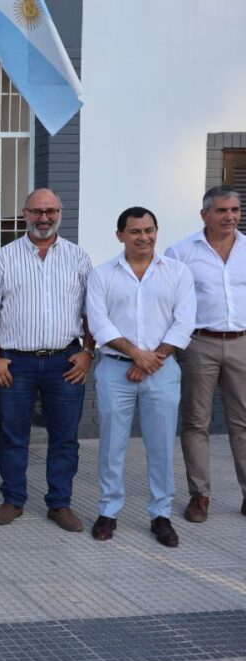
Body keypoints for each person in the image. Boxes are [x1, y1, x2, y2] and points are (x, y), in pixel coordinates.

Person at [0, 189, 95, 532]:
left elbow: (92, 312)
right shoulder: (3, 257)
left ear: (60, 212)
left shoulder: (78, 257)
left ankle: (60, 504)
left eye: (51, 211)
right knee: (13, 435)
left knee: (65, 437)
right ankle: (13, 499)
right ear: (24, 213)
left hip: (65, 362)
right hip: (16, 363)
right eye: (37, 211)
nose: (44, 218)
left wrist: (88, 352)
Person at [87, 206, 195, 547]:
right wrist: (137, 354)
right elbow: (98, 322)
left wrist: (154, 358)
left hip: (162, 370)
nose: (144, 237)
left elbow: (185, 321)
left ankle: (160, 515)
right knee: (111, 445)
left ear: (156, 231)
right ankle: (108, 512)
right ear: (120, 235)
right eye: (135, 232)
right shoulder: (102, 275)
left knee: (162, 444)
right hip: (116, 369)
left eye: (149, 230)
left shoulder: (177, 273)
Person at [166, 185, 246, 523]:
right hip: (199, 344)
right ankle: (200, 496)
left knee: (243, 422)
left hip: (242, 342)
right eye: (222, 210)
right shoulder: (181, 252)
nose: (229, 216)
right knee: (196, 423)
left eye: (235, 210)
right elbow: (166, 300)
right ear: (205, 215)